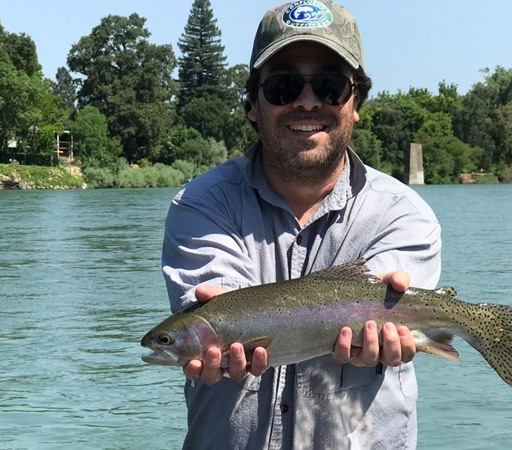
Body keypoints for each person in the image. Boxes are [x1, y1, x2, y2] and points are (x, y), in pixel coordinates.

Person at [162, 1, 441, 448]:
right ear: (253, 104)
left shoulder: (404, 213)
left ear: (356, 105)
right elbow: (223, 318)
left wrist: (392, 314)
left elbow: (393, 303)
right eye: (284, 85)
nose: (307, 101)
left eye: (330, 86)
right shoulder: (201, 205)